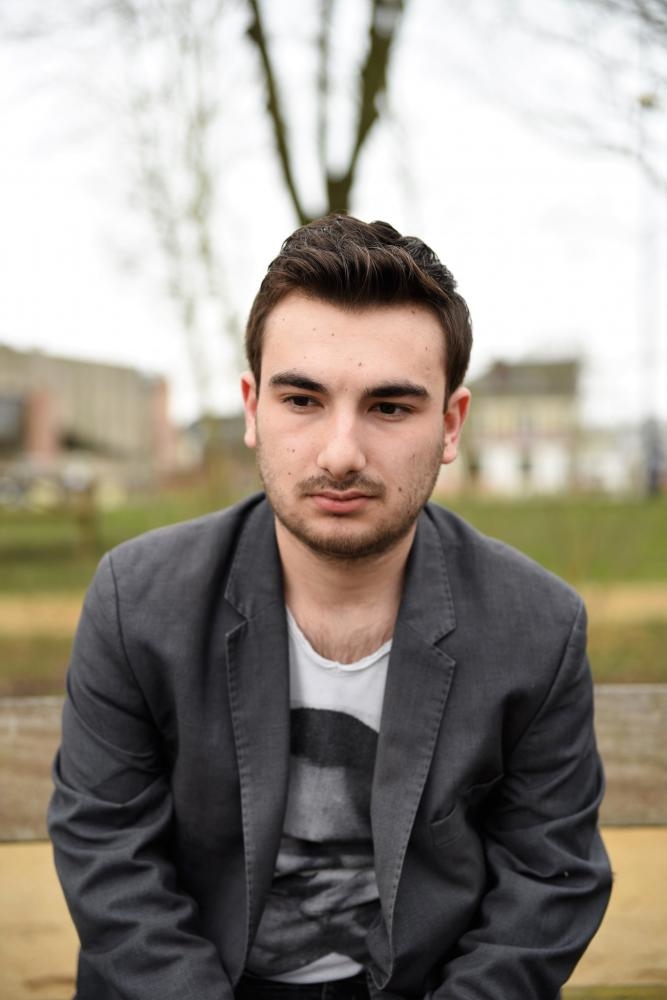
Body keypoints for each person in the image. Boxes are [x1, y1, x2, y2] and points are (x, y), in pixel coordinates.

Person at [48, 215, 612, 1000]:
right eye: (303, 399)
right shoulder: (136, 602)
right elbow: (109, 858)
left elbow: (546, 884)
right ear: (252, 408)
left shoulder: (537, 629)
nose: (340, 453)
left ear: (450, 424)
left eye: (390, 408)